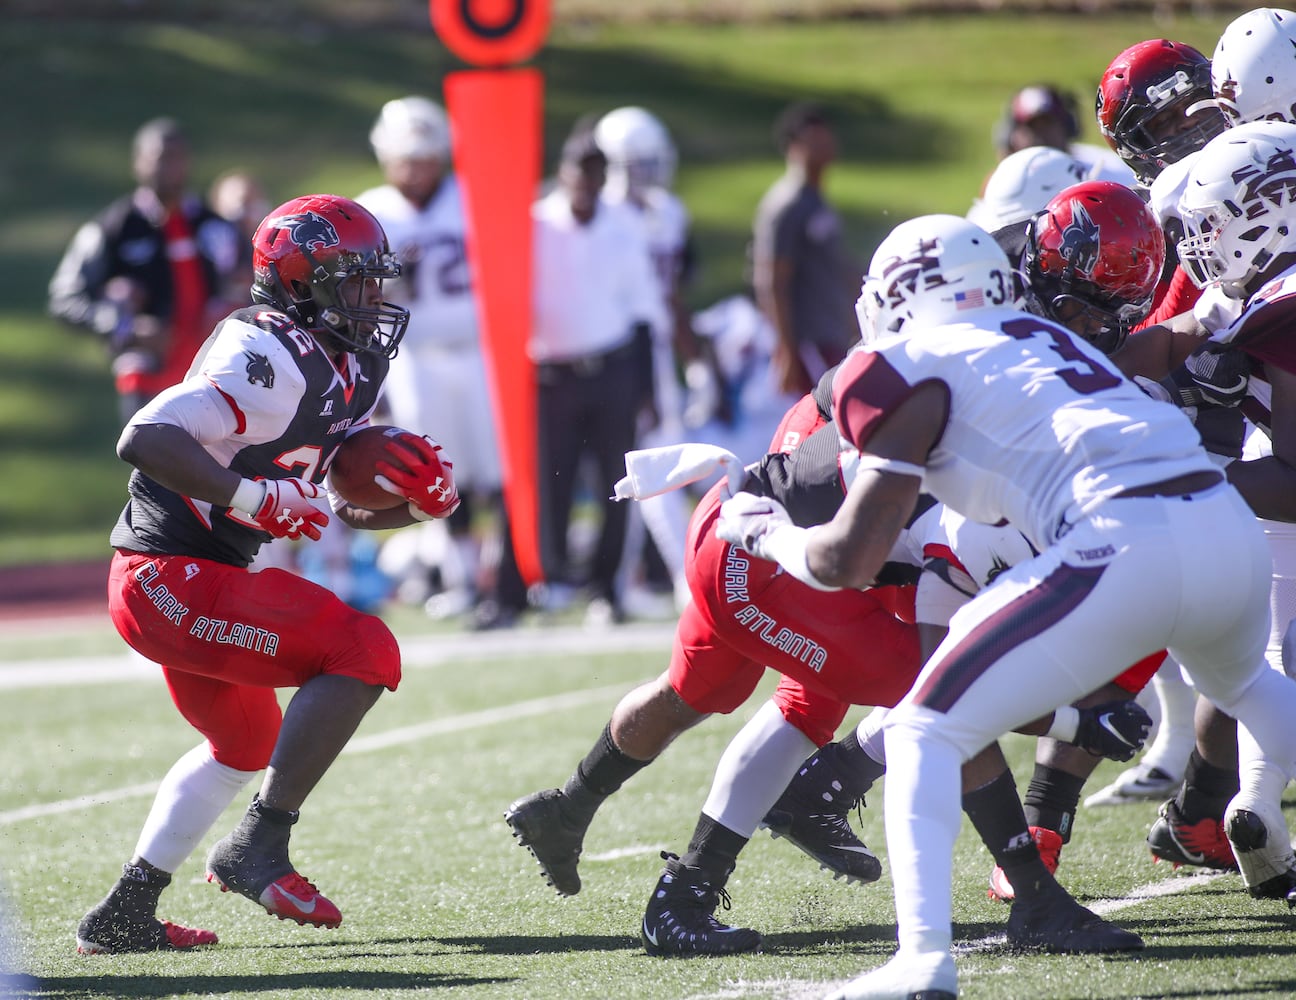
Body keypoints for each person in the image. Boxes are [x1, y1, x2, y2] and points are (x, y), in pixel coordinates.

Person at [715, 211, 1296, 999]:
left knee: (922, 726)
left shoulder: (899, 364)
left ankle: (922, 963)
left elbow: (848, 559)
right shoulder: (1046, 335)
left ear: (896, 295)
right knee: (1252, 689)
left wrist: (763, 530)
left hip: (1122, 537)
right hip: (1221, 522)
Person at [74, 194, 461, 954]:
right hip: (166, 575)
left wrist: (414, 510)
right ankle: (258, 846)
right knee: (364, 649)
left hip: (197, 575)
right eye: (352, 280)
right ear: (296, 281)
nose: (370, 297)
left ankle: (122, 913)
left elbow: (329, 506)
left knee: (248, 742)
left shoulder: (351, 357)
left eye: (374, 279)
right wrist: (254, 496)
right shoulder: (264, 352)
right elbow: (144, 436)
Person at [1134, 119, 1296, 905]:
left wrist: (1196, 479)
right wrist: (1073, 362)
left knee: (1266, 659)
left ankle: (1251, 804)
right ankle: (1255, 806)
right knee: (1262, 660)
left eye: (1215, 225)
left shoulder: (1290, 305)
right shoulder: (1258, 284)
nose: (1201, 245)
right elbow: (1170, 340)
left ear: (1272, 213)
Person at [356, 96, 504, 621]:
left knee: (497, 472)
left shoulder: (473, 197)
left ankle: (505, 579)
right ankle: (463, 579)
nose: (415, 169)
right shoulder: (369, 210)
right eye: (405, 158)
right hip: (414, 356)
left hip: (482, 352)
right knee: (441, 470)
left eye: (424, 158)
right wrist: (395, 278)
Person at [524, 123, 668, 625]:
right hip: (550, 371)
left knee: (616, 480)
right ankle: (554, 578)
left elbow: (643, 309)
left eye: (594, 172)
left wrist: (646, 387)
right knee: (553, 478)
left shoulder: (625, 224)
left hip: (611, 366)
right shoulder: (536, 222)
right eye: (577, 170)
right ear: (562, 173)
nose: (584, 181)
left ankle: (607, 586)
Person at [48, 117, 242, 424]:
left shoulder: (214, 226)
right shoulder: (113, 228)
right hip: (147, 379)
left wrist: (230, 309)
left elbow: (252, 284)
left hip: (214, 377)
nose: (169, 167)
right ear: (138, 164)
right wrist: (124, 326)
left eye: (177, 158)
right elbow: (65, 298)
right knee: (154, 468)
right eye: (160, 158)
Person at [595, 105, 711, 615]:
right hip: (612, 355)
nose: (649, 174)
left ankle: (652, 578)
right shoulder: (597, 218)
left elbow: (672, 298)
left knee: (655, 461)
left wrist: (698, 361)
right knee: (629, 467)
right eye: (638, 164)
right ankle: (650, 579)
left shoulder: (669, 213)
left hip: (657, 352)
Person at [751, 102, 860, 398]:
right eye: (814, 141)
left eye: (826, 139)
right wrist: (786, 347)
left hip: (832, 332)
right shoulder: (786, 205)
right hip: (809, 341)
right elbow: (773, 279)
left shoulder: (817, 200)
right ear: (793, 147)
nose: (824, 148)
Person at [990, 83, 1135, 186]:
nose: (1041, 136)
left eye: (1048, 124)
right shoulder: (1002, 186)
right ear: (1011, 136)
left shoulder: (1109, 172)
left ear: (1068, 127)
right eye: (1032, 127)